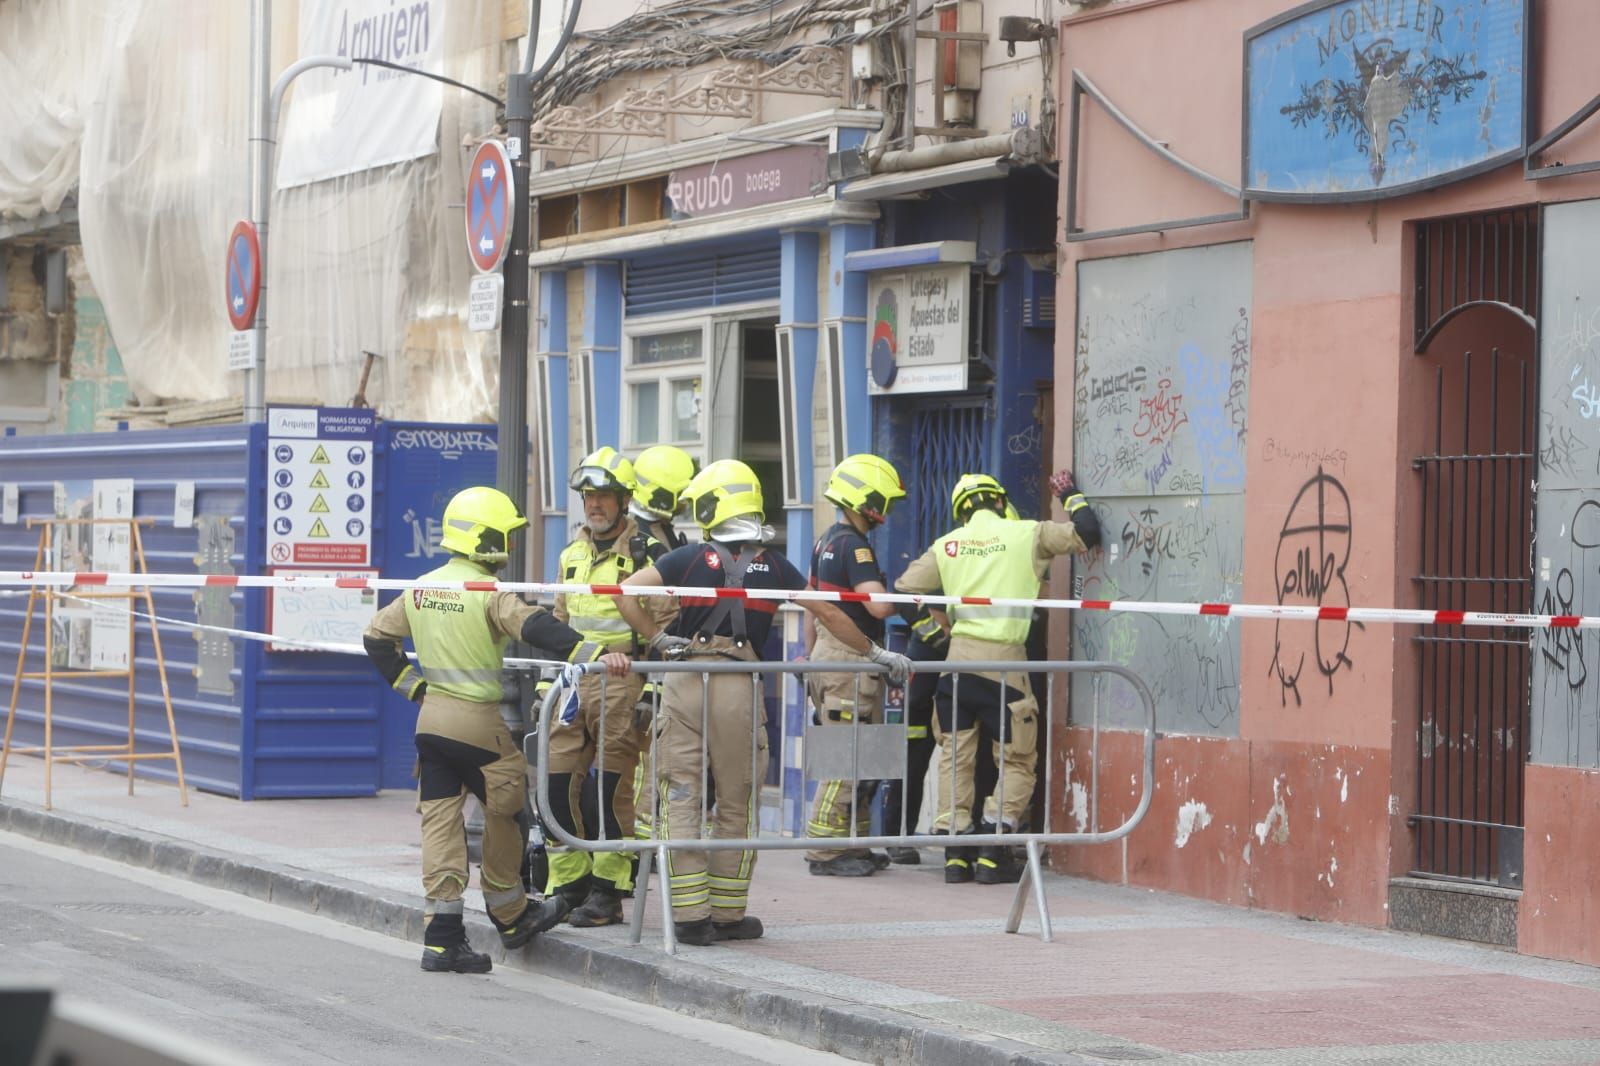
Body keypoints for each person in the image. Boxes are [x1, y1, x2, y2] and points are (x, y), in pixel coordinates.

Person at [612, 459, 913, 945]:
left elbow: (624, 592)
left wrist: (658, 638)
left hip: (685, 680)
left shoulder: (685, 558)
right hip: (738, 684)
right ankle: (728, 914)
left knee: (683, 794)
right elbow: (828, 613)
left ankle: (688, 917)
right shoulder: (773, 565)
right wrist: (876, 652)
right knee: (736, 798)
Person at [363, 485, 630, 973]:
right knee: (507, 810)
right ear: (484, 537)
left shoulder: (421, 586)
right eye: (504, 536)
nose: (507, 547)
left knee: (441, 827)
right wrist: (593, 654)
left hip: (431, 723)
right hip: (477, 725)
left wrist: (414, 689)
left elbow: (376, 636)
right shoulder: (487, 592)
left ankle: (442, 940)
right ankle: (512, 916)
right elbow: (535, 625)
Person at [892, 471, 1100, 885]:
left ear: (961, 512)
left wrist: (937, 631)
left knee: (956, 758)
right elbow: (1086, 533)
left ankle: (955, 856)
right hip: (1005, 666)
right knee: (1018, 758)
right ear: (1001, 503)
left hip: (956, 668)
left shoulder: (947, 544)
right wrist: (1070, 495)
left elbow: (902, 590)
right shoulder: (1027, 533)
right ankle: (992, 848)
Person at [546, 447, 673, 928]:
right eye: (588, 497)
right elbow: (560, 623)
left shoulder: (649, 556)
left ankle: (608, 889)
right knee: (557, 783)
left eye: (603, 496)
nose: (594, 505)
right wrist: (548, 688)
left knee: (612, 790)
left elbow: (665, 632)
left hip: (625, 683)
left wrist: (651, 693)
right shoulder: (571, 554)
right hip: (575, 683)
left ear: (624, 501)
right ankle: (569, 883)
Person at [802, 453, 906, 877]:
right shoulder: (854, 547)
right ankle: (825, 851)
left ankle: (855, 844)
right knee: (845, 762)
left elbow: (811, 606)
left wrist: (810, 657)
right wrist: (914, 590)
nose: (887, 507)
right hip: (850, 660)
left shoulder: (825, 541)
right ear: (865, 499)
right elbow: (878, 606)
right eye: (883, 498)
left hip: (829, 656)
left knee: (860, 760)